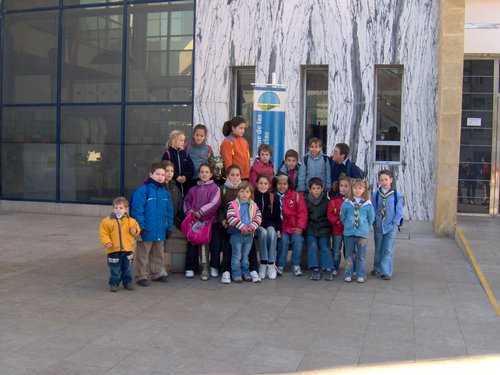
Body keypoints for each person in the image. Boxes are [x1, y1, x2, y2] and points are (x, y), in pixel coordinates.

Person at [130, 163, 174, 287]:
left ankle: (156, 273)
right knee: (143, 253)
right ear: (151, 174)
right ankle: (141, 275)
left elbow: (169, 211)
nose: (160, 177)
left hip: (160, 229)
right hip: (146, 229)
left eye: (163, 175)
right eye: (157, 174)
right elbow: (137, 209)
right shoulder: (143, 190)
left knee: (158, 252)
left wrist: (169, 227)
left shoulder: (165, 193)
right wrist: (140, 226)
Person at [183, 163, 221, 280]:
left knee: (210, 246)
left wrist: (201, 212)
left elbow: (214, 203)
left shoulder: (215, 188)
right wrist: (190, 211)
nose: (204, 174)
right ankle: (191, 267)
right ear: (199, 174)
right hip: (195, 222)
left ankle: (210, 267)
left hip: (210, 222)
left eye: (206, 172)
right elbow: (187, 201)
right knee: (192, 243)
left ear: (211, 174)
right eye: (202, 172)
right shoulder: (193, 189)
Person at [99, 197, 141, 292]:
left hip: (127, 250)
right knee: (115, 269)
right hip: (113, 250)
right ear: (113, 209)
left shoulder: (131, 221)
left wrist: (135, 231)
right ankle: (114, 283)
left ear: (126, 209)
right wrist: (107, 242)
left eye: (121, 208)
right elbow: (104, 234)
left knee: (127, 268)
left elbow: (137, 231)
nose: (118, 210)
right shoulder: (107, 221)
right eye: (116, 208)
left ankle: (127, 282)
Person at [227, 181, 262, 283]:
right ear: (238, 192)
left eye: (247, 191)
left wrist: (251, 227)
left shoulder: (254, 206)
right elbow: (231, 217)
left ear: (250, 193)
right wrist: (242, 227)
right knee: (237, 256)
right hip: (237, 234)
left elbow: (258, 217)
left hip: (249, 235)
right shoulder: (233, 204)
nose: (244, 194)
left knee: (245, 256)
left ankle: (245, 272)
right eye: (242, 191)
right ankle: (236, 273)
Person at [340, 178, 374, 283]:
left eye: (360, 188)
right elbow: (342, 216)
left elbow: (371, 218)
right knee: (349, 254)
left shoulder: (367, 204)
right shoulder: (347, 203)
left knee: (361, 255)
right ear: (351, 189)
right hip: (349, 233)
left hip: (362, 234)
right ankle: (348, 273)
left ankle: (360, 274)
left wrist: (365, 227)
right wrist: (348, 224)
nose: (357, 190)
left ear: (364, 190)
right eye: (355, 188)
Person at [371, 170, 403, 280]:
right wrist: (374, 221)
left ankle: (386, 271)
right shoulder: (376, 195)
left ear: (391, 180)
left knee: (388, 249)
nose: (384, 182)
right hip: (379, 225)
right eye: (381, 180)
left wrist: (395, 223)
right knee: (378, 247)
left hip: (391, 226)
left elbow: (399, 211)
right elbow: (373, 209)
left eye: (386, 179)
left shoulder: (396, 195)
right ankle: (377, 268)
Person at [275, 174, 308, 276]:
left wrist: (300, 227)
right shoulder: (273, 196)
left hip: (295, 227)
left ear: (289, 184)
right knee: (283, 241)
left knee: (297, 240)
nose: (282, 186)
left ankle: (296, 265)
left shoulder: (296, 196)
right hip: (283, 227)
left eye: (284, 184)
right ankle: (280, 265)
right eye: (279, 184)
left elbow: (302, 212)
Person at [305, 178, 334, 281]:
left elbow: (329, 217)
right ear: (310, 190)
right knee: (312, 246)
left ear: (322, 189)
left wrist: (327, 228)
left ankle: (328, 269)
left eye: (318, 188)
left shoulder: (327, 201)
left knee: (325, 247)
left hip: (323, 229)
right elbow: (305, 216)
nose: (316, 190)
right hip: (310, 229)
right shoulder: (306, 201)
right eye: (314, 188)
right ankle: (315, 269)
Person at [254, 174, 281, 279]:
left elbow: (277, 216)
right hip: (257, 225)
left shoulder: (273, 197)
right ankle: (263, 263)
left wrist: (278, 229)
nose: (263, 186)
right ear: (256, 184)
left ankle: (271, 264)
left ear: (269, 185)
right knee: (263, 233)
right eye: (260, 183)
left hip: (269, 223)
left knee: (272, 233)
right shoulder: (253, 196)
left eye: (265, 183)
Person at [327, 176, 350, 276]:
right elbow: (330, 214)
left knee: (349, 251)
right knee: (336, 250)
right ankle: (335, 267)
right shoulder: (334, 200)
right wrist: (337, 222)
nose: (343, 188)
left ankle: (350, 268)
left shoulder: (353, 201)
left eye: (346, 186)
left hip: (349, 231)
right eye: (341, 186)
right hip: (337, 230)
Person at [161, 130, 194, 197]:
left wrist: (185, 176)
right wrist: (176, 177)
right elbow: (163, 169)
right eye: (181, 140)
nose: (183, 142)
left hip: (185, 186)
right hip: (172, 186)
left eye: (184, 140)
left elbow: (191, 167)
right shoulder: (168, 154)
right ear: (174, 140)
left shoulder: (185, 154)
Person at [162, 160, 183, 228]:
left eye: (172, 171)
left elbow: (180, 204)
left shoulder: (175, 187)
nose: (169, 173)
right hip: (160, 222)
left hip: (173, 222)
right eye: (167, 171)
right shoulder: (157, 186)